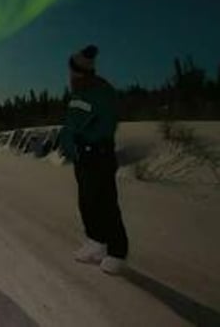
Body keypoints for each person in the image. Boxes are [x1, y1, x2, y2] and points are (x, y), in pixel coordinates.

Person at [58, 45, 129, 275]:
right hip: (82, 157)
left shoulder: (101, 90)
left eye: (72, 70)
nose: (69, 74)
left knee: (105, 203)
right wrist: (69, 143)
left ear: (80, 71)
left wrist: (85, 139)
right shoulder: (78, 92)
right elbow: (72, 122)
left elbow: (108, 123)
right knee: (87, 202)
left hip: (97, 155)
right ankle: (96, 243)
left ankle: (117, 252)